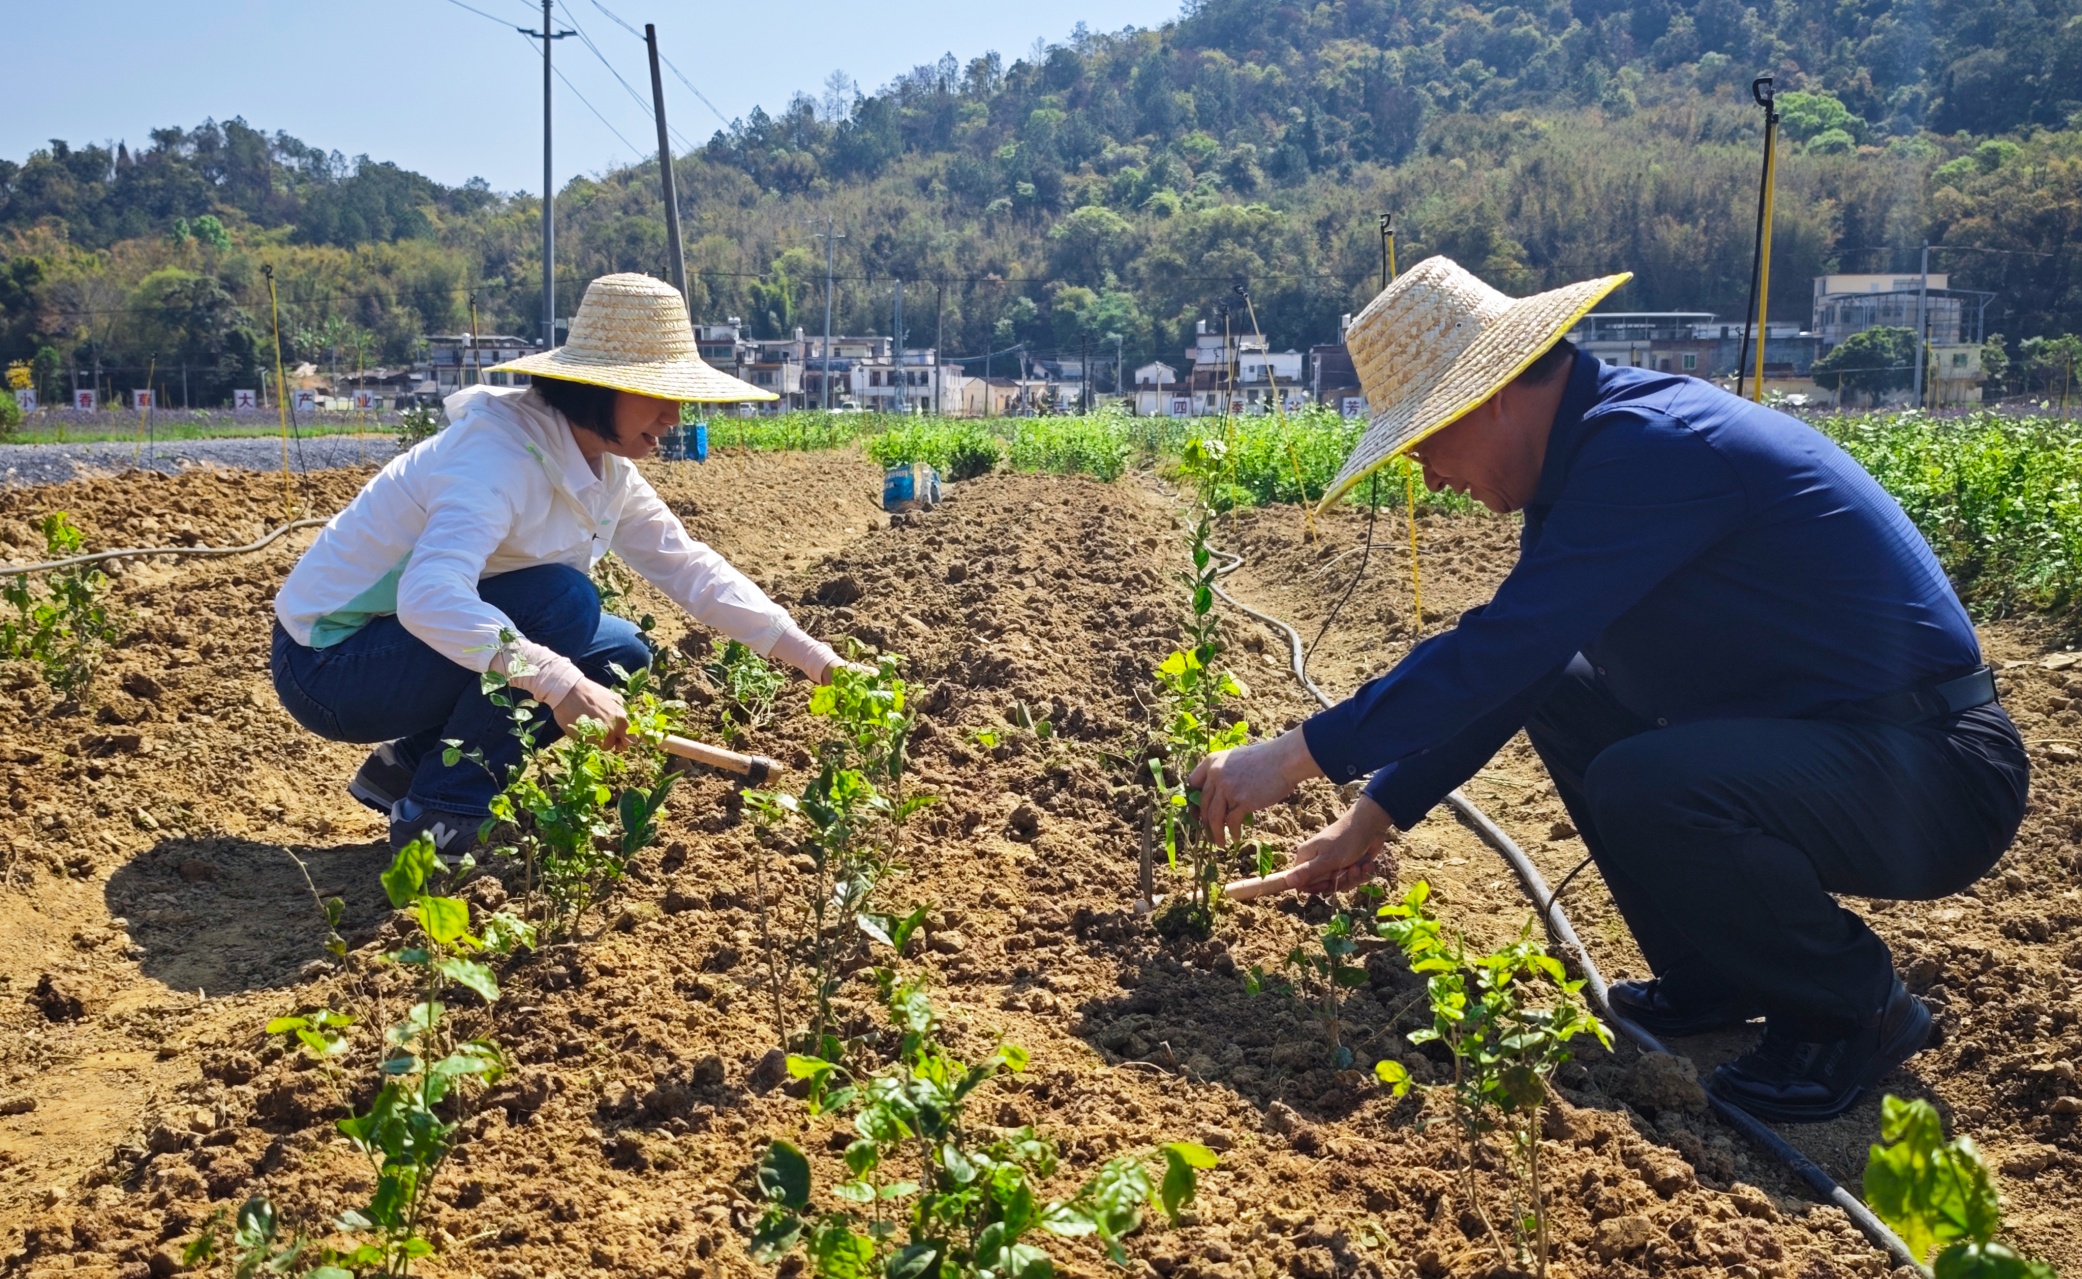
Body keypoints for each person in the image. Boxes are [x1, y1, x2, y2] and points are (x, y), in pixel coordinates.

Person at [1196, 257, 2027, 1123]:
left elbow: (1495, 650)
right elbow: (1522, 672)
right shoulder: (1593, 457)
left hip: (1934, 772)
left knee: (1647, 780)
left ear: (1496, 395)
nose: (1430, 476)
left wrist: (1292, 757)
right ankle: (1717, 972)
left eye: (1426, 442)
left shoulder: (1648, 448)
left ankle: (1852, 1006)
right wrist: (1372, 812)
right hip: (1851, 743)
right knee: (1571, 690)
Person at [272, 273, 843, 853]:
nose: (673, 415)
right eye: (657, 394)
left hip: (397, 651)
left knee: (619, 652)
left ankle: (407, 767)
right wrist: (556, 680)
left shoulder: (605, 468)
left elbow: (686, 565)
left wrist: (820, 663)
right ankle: (441, 813)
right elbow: (428, 595)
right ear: (598, 389)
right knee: (562, 605)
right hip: (330, 665)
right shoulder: (494, 457)